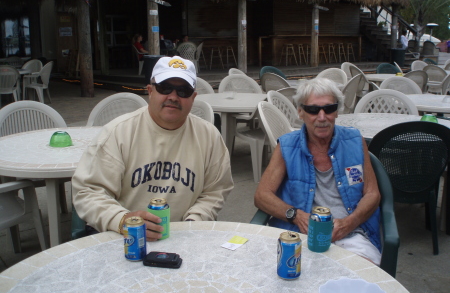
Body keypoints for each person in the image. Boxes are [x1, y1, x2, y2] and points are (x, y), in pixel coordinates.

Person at [72, 56, 234, 241]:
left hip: (185, 236)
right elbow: (88, 191)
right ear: (150, 91)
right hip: (123, 236)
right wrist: (122, 220)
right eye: (164, 88)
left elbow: (216, 190)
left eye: (183, 90)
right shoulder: (118, 133)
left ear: (193, 97)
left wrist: (194, 221)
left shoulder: (209, 137)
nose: (173, 97)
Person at [254, 78, 382, 264]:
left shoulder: (355, 141)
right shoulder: (287, 146)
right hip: (300, 235)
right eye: (313, 110)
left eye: (329, 109)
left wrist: (349, 223)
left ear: (336, 111)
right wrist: (296, 216)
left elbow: (372, 193)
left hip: (351, 234)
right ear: (300, 112)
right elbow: (262, 195)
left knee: (360, 281)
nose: (322, 117)